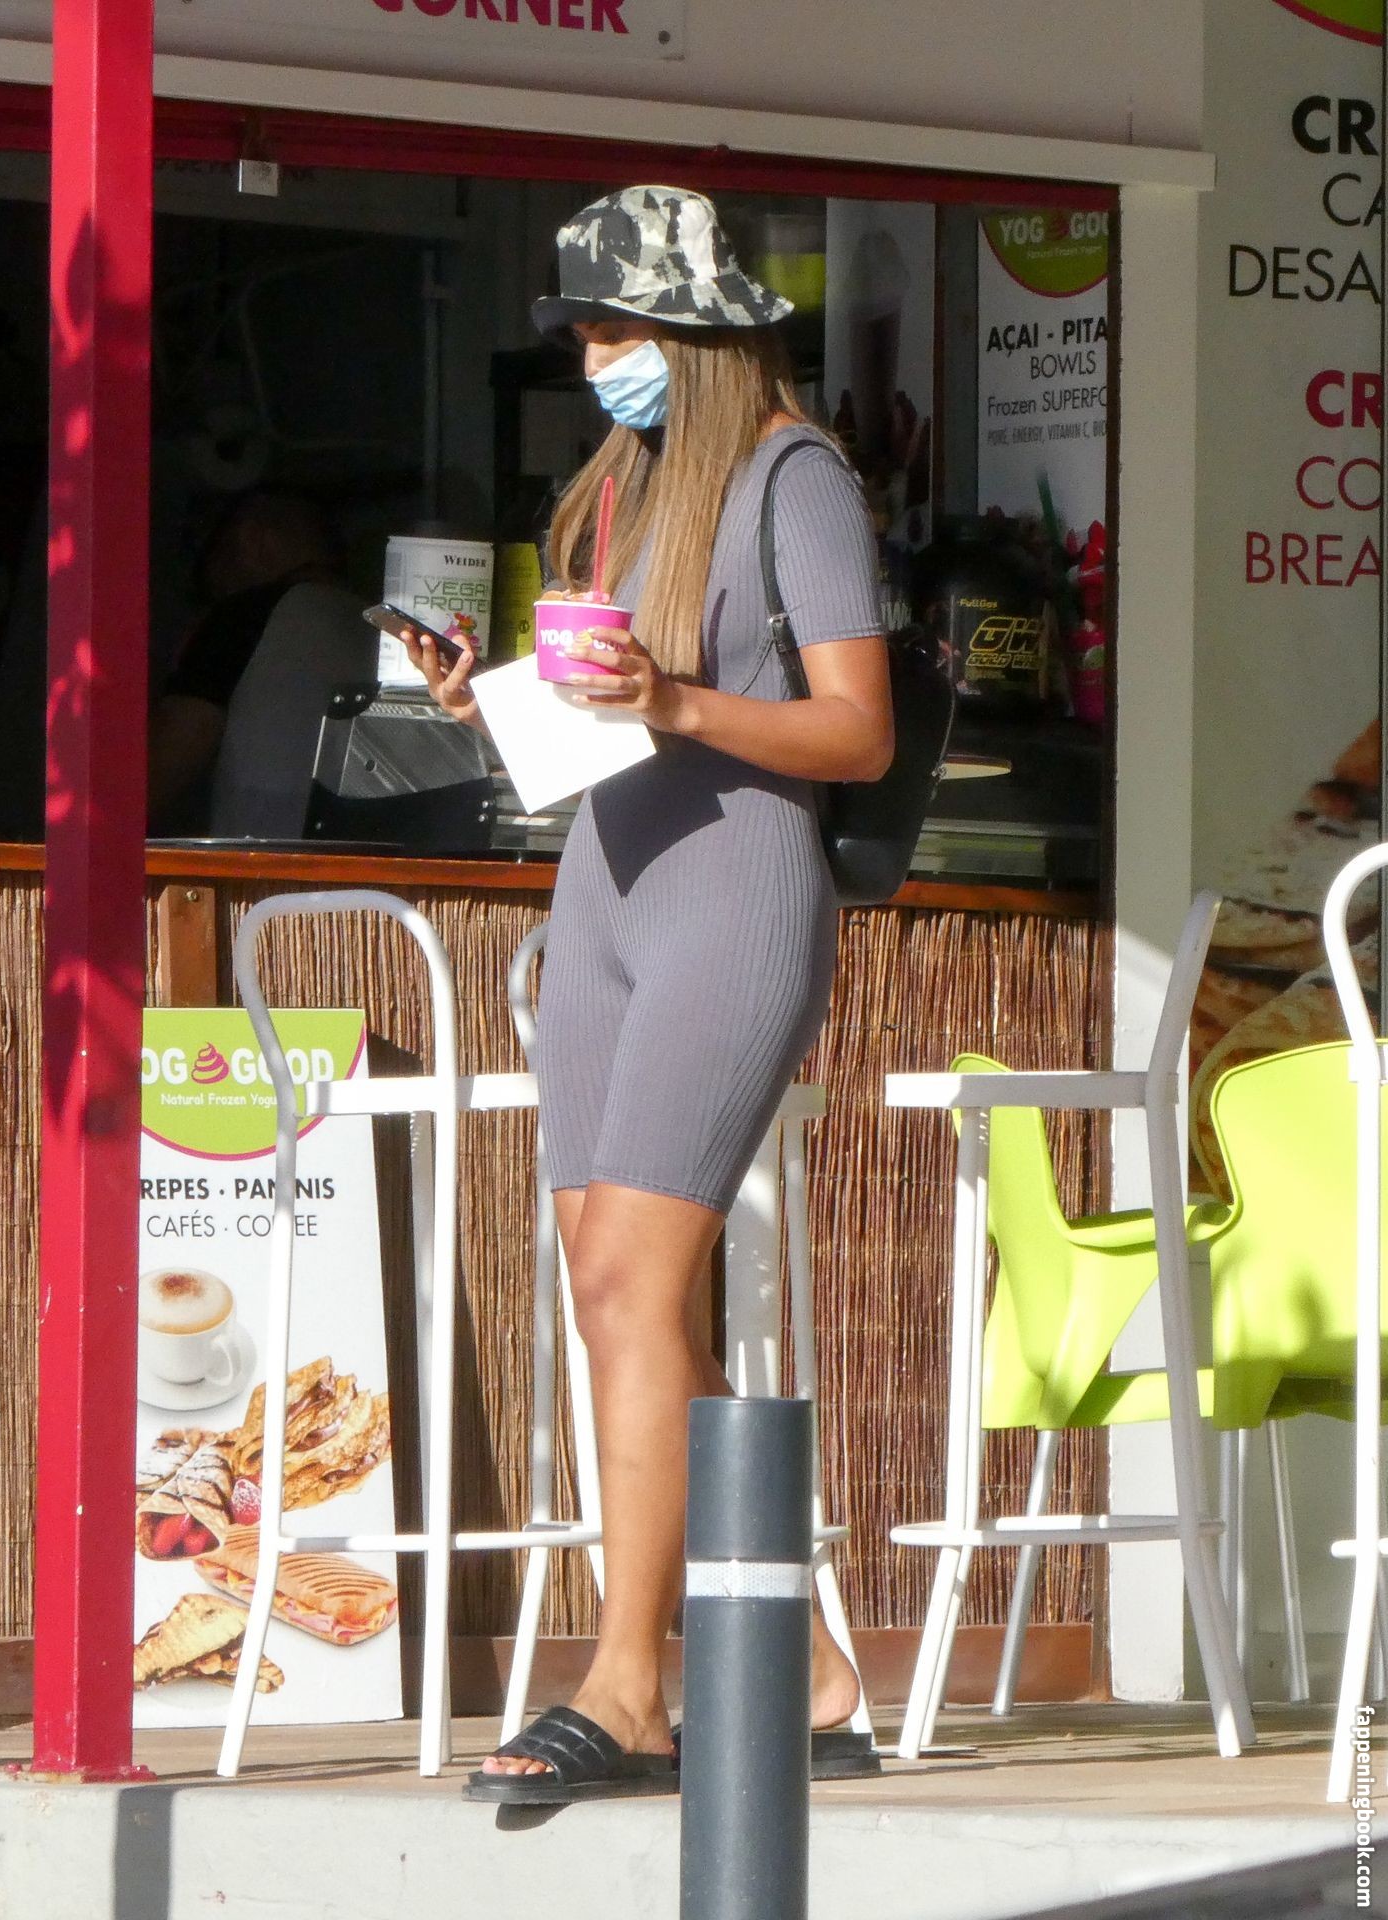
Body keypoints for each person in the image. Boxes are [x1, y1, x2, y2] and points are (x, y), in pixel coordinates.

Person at [408, 186, 893, 1805]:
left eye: (613, 329)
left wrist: (673, 698)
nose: (591, 358)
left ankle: (627, 1686)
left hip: (734, 891)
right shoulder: (619, 488)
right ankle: (804, 1668)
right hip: (604, 887)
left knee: (628, 1279)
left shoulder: (792, 476)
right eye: (580, 334)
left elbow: (855, 733)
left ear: (693, 332)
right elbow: (610, 717)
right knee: (613, 1291)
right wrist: (495, 703)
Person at [148, 490, 347, 833]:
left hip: (254, 851)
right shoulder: (385, 624)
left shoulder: (245, 616)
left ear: (252, 539)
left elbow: (156, 775)